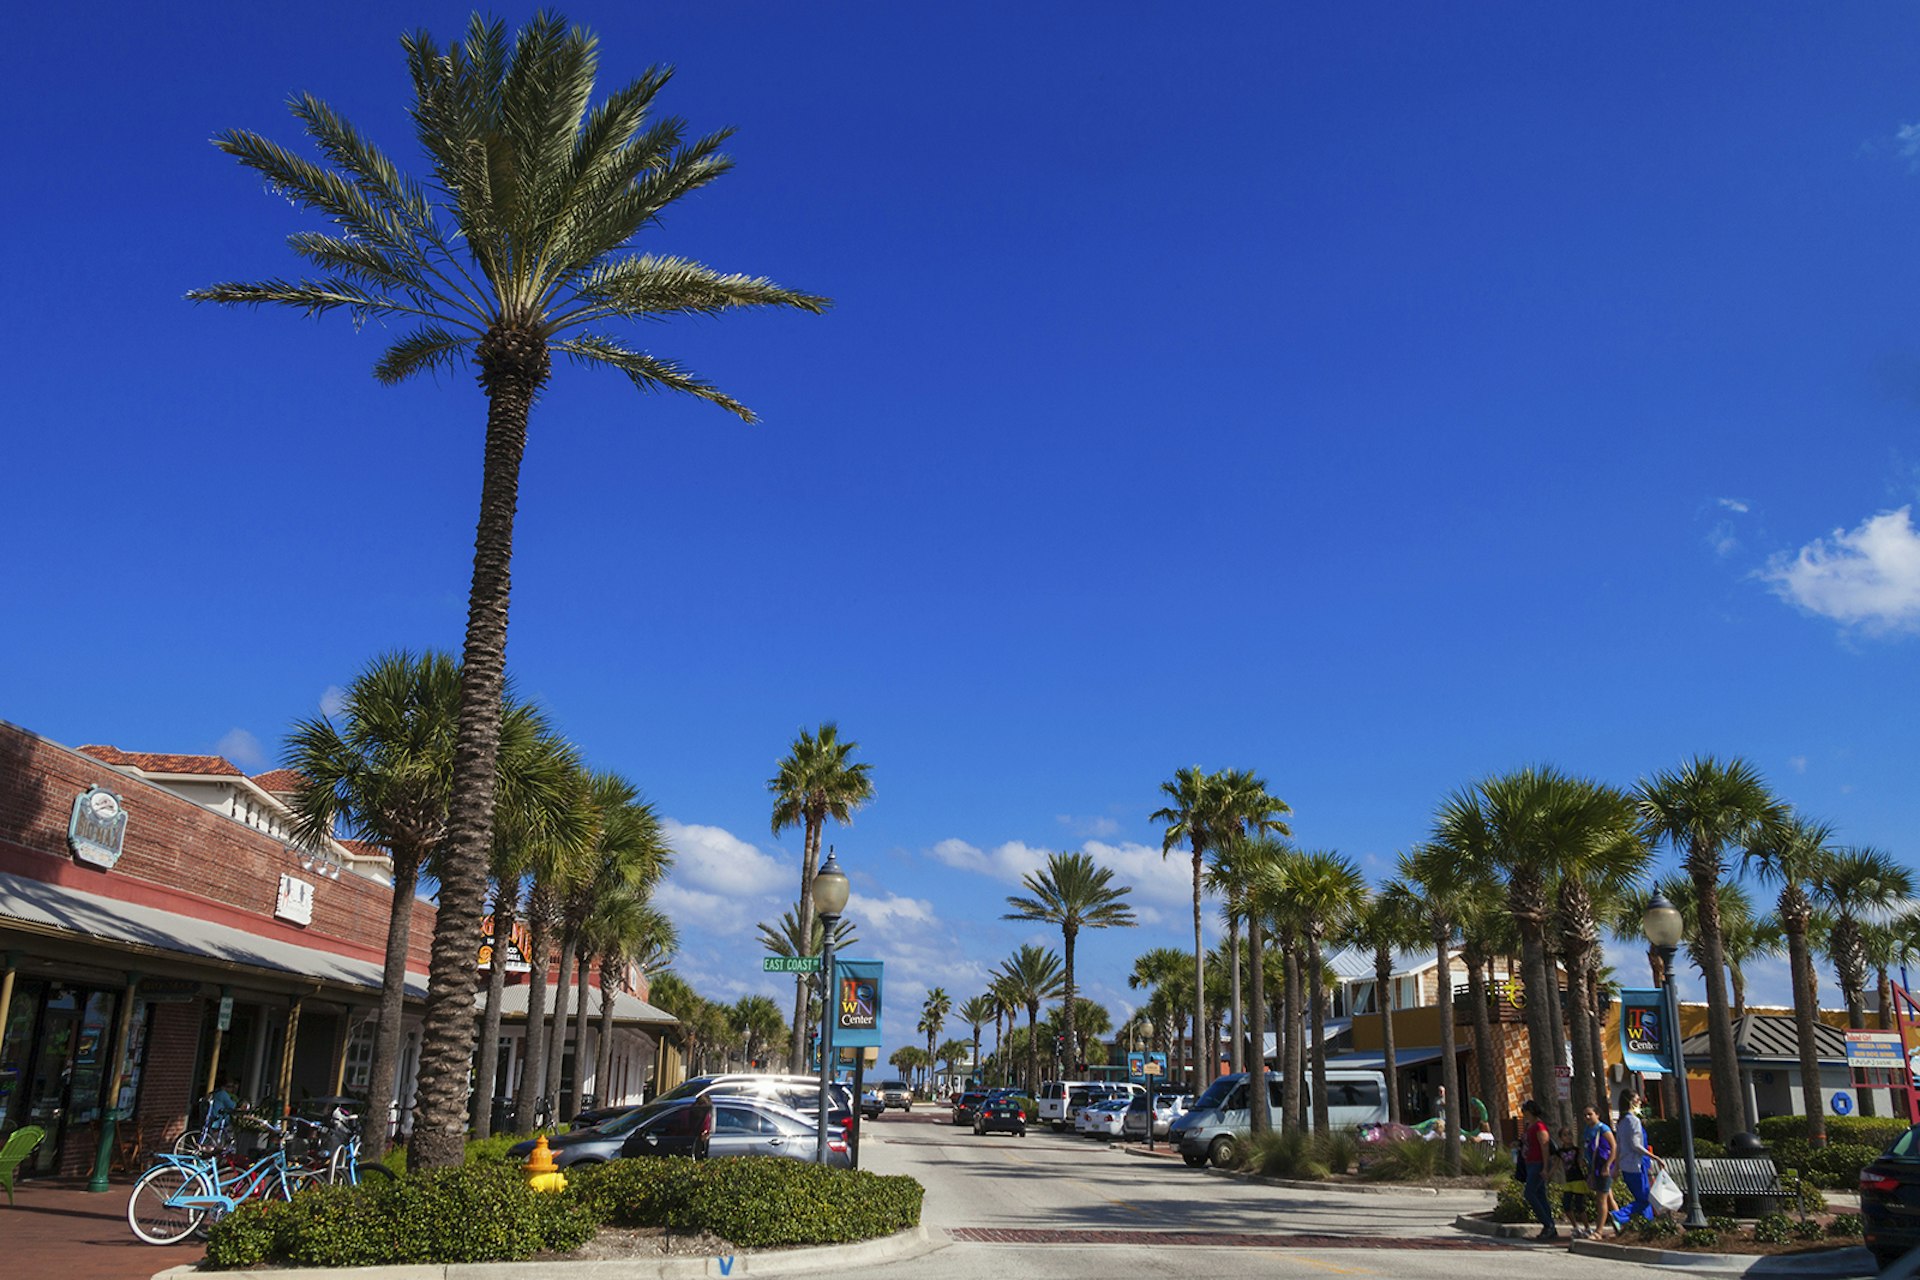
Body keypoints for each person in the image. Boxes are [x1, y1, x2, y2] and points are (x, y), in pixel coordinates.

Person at [1611, 1090, 1662, 1226]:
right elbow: (1636, 1145)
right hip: (1637, 1164)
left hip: (1626, 1165)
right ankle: (1619, 1215)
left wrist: (1616, 1167)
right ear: (1631, 1102)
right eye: (1637, 1100)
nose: (1640, 1102)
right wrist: (1655, 1157)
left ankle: (1647, 1224)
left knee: (1641, 1198)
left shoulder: (1621, 1122)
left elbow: (1619, 1146)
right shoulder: (1633, 1121)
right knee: (1644, 1199)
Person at [1518, 1099, 1558, 1241]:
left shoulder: (1540, 1126)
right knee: (1540, 1195)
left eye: (1526, 1112)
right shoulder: (1530, 1126)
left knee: (1530, 1193)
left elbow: (1545, 1146)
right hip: (1530, 1163)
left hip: (1538, 1163)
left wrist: (1545, 1167)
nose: (1524, 1115)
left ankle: (1547, 1224)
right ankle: (1550, 1226)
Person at [1582, 1104, 1619, 1237]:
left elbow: (1614, 1147)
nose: (1587, 1117)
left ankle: (1599, 1231)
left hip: (1603, 1168)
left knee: (1601, 1200)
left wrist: (1608, 1165)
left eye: (1590, 1114)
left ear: (1597, 1114)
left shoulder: (1603, 1129)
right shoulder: (1587, 1129)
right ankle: (1620, 1227)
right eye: (1585, 1115)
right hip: (1594, 1167)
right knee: (1609, 1199)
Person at [1555, 1124, 1590, 1237]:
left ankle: (1587, 1227)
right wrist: (1548, 1173)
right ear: (1561, 1138)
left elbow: (1581, 1162)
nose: (1568, 1137)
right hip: (1569, 1181)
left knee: (1579, 1205)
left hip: (1578, 1180)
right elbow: (1556, 1164)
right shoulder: (1560, 1152)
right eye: (1565, 1135)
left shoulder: (1576, 1150)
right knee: (1566, 1204)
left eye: (1570, 1134)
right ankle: (1575, 1226)